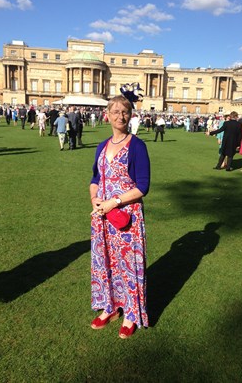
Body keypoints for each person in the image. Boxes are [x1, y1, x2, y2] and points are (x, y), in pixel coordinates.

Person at [90, 95, 150, 339]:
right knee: (105, 261)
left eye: (124, 111)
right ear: (107, 115)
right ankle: (110, 306)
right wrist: (94, 199)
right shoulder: (102, 146)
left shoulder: (137, 146)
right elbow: (95, 179)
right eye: (115, 111)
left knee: (128, 264)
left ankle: (132, 314)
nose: (119, 116)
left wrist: (114, 202)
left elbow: (143, 186)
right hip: (102, 216)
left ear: (131, 115)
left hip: (127, 217)